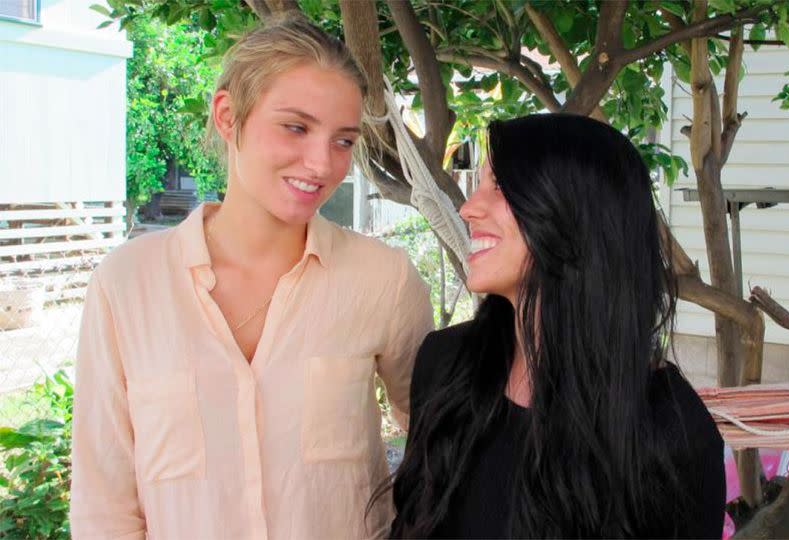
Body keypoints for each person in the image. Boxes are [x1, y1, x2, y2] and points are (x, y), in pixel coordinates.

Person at [69, 14, 433, 539]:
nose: (322, 164)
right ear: (227, 114)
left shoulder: (383, 281)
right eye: (297, 127)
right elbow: (104, 505)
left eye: (343, 141)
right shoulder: (127, 286)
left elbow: (439, 438)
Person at [384, 113, 726, 538]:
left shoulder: (672, 432)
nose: (469, 208)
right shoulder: (446, 365)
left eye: (502, 187)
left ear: (576, 216)